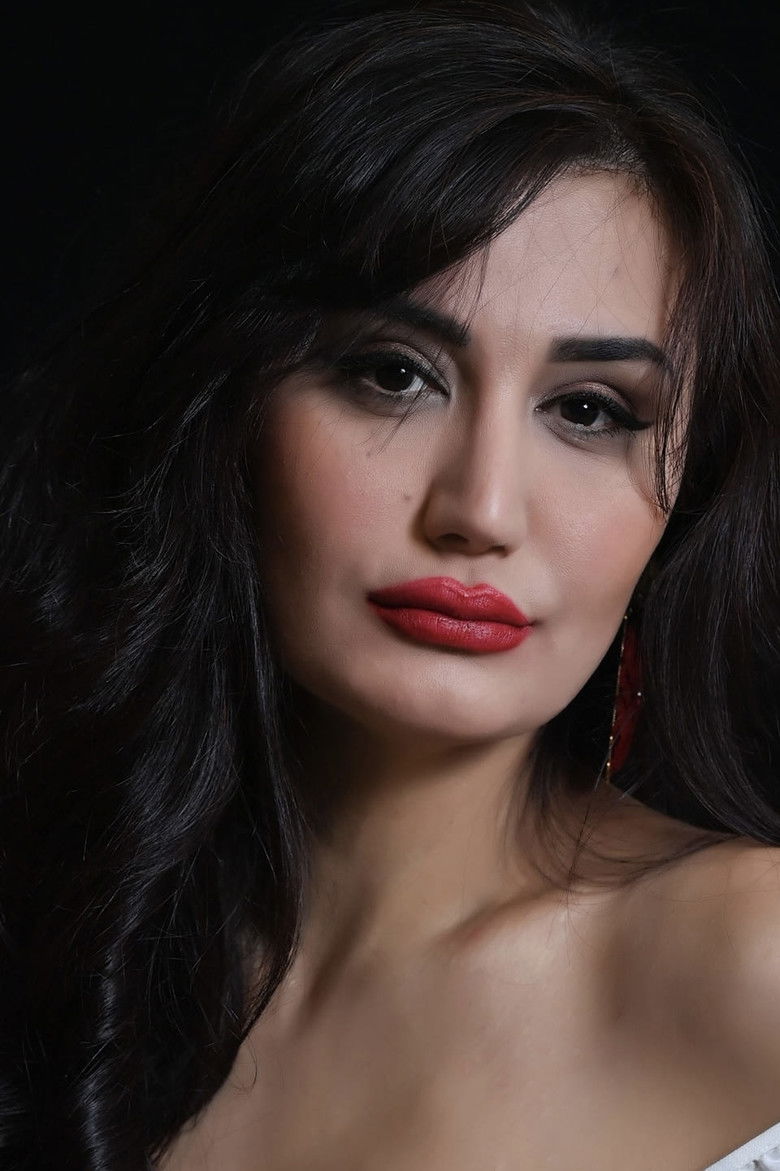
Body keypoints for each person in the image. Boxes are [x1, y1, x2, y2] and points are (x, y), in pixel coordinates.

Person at [1, 1, 779, 1167]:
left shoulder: (748, 965)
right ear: (223, 411)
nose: (481, 508)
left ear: (681, 505)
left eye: (588, 410)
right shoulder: (62, 946)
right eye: (394, 375)